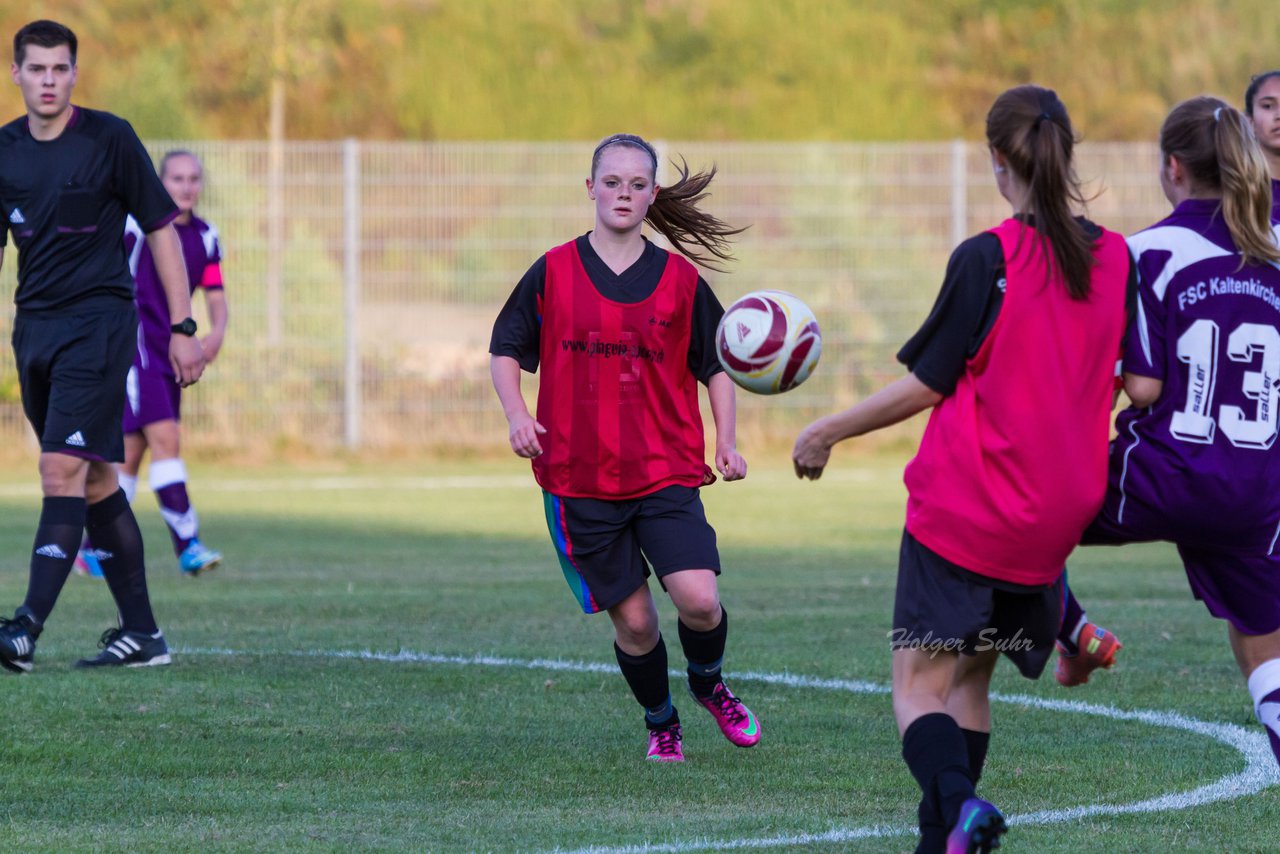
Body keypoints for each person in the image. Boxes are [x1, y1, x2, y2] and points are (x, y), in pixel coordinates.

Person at [792, 86, 1133, 853]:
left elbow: (927, 385)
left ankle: (961, 805)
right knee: (971, 681)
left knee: (918, 688)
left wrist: (825, 431)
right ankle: (942, 839)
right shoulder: (1117, 258)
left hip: (968, 511)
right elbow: (1140, 382)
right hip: (1053, 523)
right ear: (1066, 153)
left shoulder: (989, 258)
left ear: (995, 162)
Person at [489, 133, 760, 763]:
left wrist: (728, 442)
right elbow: (505, 348)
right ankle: (661, 721)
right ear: (590, 188)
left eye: (638, 185)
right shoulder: (552, 269)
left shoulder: (679, 280)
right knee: (636, 624)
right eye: (612, 182)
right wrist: (516, 416)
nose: (624, 194)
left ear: (652, 194)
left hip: (665, 474)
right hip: (580, 482)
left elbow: (717, 363)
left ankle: (708, 684)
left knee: (699, 599)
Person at [1076, 96, 1280, 771]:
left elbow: (1143, 388)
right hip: (1258, 487)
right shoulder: (1273, 250)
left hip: (1164, 472)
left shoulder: (1146, 252)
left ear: (1173, 168)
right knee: (1264, 648)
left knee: (1005, 514)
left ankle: (1070, 632)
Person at [0, 20, 203, 671]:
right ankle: (143, 635)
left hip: (98, 326)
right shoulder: (3, 150)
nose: (49, 81)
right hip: (33, 331)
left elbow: (162, 229)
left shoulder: (109, 138)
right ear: (17, 75)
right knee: (88, 481)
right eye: (37, 69)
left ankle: (24, 629)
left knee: (59, 469)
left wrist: (182, 326)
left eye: (60, 69)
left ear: (74, 73)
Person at [76, 150, 227, 578]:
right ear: (161, 184)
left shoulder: (206, 235)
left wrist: (215, 334)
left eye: (193, 178)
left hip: (172, 354)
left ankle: (91, 552)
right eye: (176, 178)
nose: (186, 186)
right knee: (167, 440)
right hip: (136, 352)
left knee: (128, 457)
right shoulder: (140, 228)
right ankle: (189, 545)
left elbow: (216, 295)